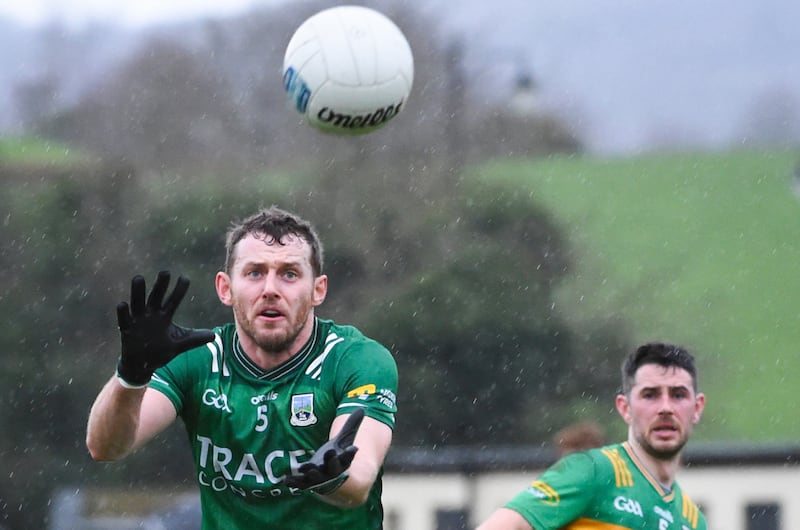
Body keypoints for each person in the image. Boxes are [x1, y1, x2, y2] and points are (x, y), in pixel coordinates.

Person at [86, 206, 399, 530]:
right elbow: (105, 447)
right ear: (225, 288)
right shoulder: (196, 359)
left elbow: (359, 479)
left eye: (289, 273)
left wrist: (332, 476)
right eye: (255, 273)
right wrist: (132, 375)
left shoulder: (357, 359)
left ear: (318, 289)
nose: (270, 289)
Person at [476, 342, 707, 530]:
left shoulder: (693, 521)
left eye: (678, 395)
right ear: (624, 407)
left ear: (697, 408)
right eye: (650, 395)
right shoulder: (592, 471)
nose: (665, 407)